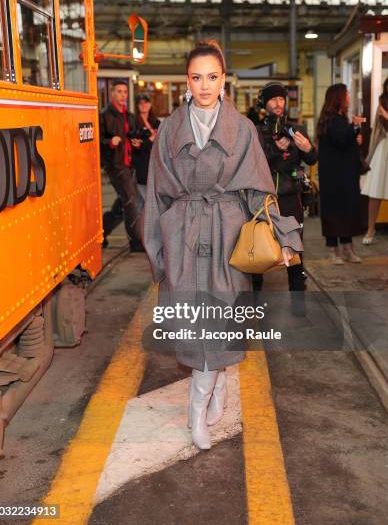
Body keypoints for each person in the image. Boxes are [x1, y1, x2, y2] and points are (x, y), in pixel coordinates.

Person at [142, 41, 302, 451]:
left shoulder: (243, 130)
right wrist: (158, 252)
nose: (205, 85)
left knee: (220, 322)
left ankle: (199, 406)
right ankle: (210, 394)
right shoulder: (170, 131)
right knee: (194, 325)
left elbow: (258, 192)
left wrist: (282, 237)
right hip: (182, 234)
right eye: (196, 77)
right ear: (187, 81)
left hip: (228, 238)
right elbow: (156, 195)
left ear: (224, 79)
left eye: (212, 76)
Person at [254, 82, 317, 291]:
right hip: (263, 199)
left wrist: (308, 148)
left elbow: (312, 159)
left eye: (281, 98)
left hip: (291, 198)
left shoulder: (296, 129)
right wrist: (274, 151)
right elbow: (252, 165)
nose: (278, 102)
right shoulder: (255, 131)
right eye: (273, 99)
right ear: (264, 103)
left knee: (295, 251)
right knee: (258, 249)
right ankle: (253, 300)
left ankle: (299, 300)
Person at [316, 83, 366, 264]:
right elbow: (340, 140)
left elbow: (345, 141)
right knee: (335, 211)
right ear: (338, 97)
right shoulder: (331, 119)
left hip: (343, 175)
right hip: (334, 176)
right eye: (346, 95)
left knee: (346, 210)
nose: (348, 98)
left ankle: (347, 248)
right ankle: (333, 250)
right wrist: (354, 128)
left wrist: (354, 134)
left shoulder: (338, 118)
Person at [99, 79, 144, 252]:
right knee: (132, 201)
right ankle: (136, 241)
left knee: (124, 201)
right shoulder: (105, 115)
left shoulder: (129, 116)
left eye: (125, 92)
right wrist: (110, 141)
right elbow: (97, 141)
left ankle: (102, 232)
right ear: (112, 93)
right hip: (116, 165)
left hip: (129, 164)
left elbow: (134, 136)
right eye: (119, 91)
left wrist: (137, 142)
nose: (123, 95)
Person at [361, 74, 388, 247]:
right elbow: (377, 129)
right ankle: (370, 229)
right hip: (384, 146)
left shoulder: (385, 110)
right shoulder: (382, 103)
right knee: (375, 191)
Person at [131, 94, 161, 212]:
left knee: (148, 202)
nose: (144, 105)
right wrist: (150, 140)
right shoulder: (134, 122)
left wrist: (145, 143)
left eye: (146, 102)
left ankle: (142, 227)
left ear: (150, 104)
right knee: (145, 202)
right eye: (141, 103)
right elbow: (135, 145)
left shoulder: (156, 122)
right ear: (137, 106)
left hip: (155, 166)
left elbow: (162, 142)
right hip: (142, 167)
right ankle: (141, 227)